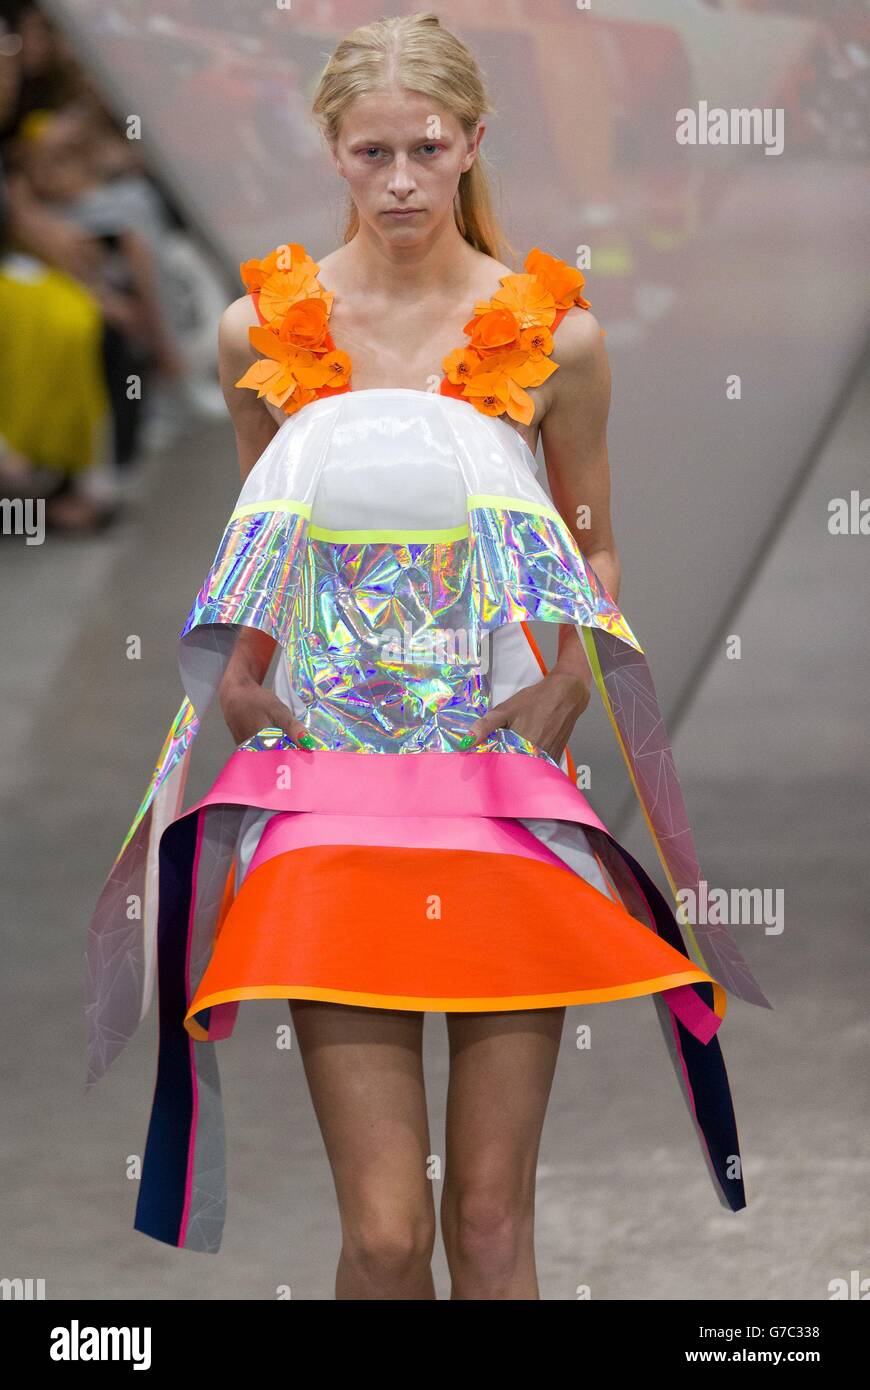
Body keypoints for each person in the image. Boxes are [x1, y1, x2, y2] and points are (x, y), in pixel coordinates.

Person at [85, 13, 769, 1298]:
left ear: (473, 144)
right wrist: (241, 677)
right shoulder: (263, 334)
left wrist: (570, 675)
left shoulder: (554, 338)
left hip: (498, 779)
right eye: (370, 153)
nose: (399, 180)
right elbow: (262, 542)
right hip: (330, 787)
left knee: (496, 1228)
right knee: (390, 1234)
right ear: (331, 152)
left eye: (426, 149)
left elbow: (591, 544)